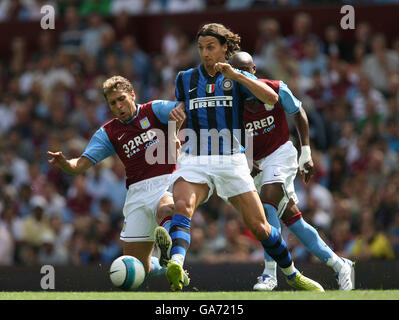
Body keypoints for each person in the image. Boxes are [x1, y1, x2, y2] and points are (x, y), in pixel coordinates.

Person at [154, 23, 324, 292]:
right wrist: (177, 113)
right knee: (182, 205)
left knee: (261, 228)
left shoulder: (235, 78)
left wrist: (238, 75)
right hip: (195, 158)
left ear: (225, 48)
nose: (205, 53)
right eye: (201, 48)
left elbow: (270, 98)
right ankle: (176, 263)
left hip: (231, 159)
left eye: (211, 47)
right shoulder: (185, 78)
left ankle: (291, 274)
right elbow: (182, 105)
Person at [229, 51, 355, 291]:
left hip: (281, 153)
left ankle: (269, 274)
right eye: (236, 74)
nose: (240, 77)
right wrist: (244, 156)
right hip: (256, 163)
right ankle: (341, 265)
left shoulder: (274, 88)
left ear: (253, 70)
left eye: (245, 71)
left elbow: (298, 112)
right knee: (293, 220)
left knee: (268, 202)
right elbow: (230, 133)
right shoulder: (232, 102)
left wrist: (306, 152)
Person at [47, 75, 187, 282]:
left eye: (122, 99)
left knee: (166, 209)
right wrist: (66, 164)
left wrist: (176, 126)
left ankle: (173, 256)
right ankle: (163, 264)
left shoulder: (154, 109)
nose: (118, 105)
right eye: (113, 103)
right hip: (137, 195)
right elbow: (81, 165)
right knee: (138, 268)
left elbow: (184, 108)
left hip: (166, 181)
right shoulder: (108, 133)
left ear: (132, 95)